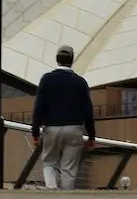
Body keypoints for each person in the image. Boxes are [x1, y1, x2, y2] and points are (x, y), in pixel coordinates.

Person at [30, 46, 97, 190]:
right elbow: (88, 110)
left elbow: (39, 107)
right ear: (72, 60)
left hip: (51, 128)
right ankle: (66, 197)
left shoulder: (47, 80)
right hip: (74, 128)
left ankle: (52, 191)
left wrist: (35, 132)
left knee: (49, 162)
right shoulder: (80, 82)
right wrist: (92, 135)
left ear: (57, 59)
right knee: (69, 168)